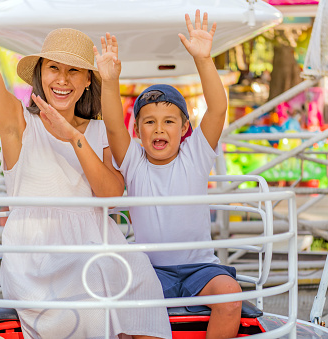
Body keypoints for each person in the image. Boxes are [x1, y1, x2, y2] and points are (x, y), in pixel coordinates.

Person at [0, 1, 171, 338]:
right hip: (36, 256)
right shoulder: (19, 124)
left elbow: (111, 196)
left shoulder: (97, 130)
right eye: (53, 68)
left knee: (143, 297)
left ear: (88, 80)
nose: (61, 80)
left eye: (73, 70)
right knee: (89, 302)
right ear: (40, 74)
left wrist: (73, 137)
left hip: (100, 243)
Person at [96, 10, 242, 339]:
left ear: (185, 128)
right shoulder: (133, 160)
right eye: (149, 121)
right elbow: (111, 124)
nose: (159, 129)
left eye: (169, 121)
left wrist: (204, 59)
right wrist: (109, 80)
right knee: (135, 316)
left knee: (231, 299)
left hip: (200, 269)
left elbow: (218, 108)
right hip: (151, 271)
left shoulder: (195, 154)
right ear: (138, 130)